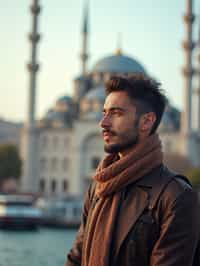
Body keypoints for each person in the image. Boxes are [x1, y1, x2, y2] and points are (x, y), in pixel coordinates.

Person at [66, 74, 200, 266]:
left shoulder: (176, 196)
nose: (103, 123)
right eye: (104, 112)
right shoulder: (99, 186)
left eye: (116, 113)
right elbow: (76, 258)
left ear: (146, 122)